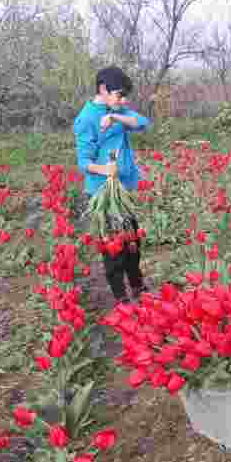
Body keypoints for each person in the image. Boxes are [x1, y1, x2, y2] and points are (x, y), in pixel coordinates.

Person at [73, 66, 152, 304]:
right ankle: (121, 297)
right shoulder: (86, 118)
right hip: (103, 193)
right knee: (112, 248)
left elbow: (142, 123)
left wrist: (116, 114)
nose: (123, 99)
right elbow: (84, 162)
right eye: (119, 94)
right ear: (103, 89)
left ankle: (138, 286)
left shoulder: (116, 108)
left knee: (132, 242)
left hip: (122, 190)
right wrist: (105, 169)